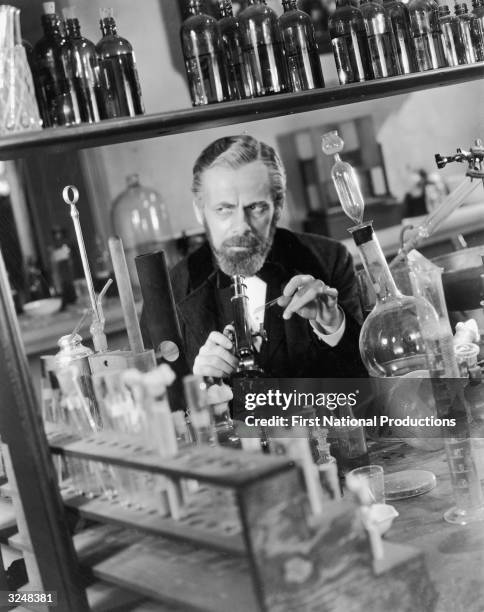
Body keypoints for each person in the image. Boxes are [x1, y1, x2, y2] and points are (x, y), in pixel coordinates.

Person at [154, 135, 366, 379]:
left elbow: (368, 388)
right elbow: (160, 407)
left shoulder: (330, 259)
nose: (241, 226)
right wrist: (199, 389)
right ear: (200, 212)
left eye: (255, 207)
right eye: (224, 209)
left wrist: (333, 326)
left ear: (279, 205)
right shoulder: (167, 292)